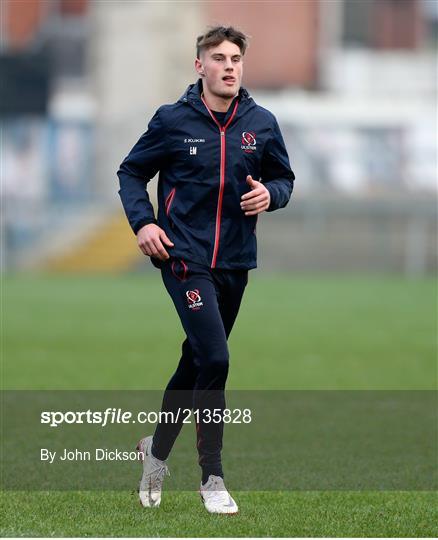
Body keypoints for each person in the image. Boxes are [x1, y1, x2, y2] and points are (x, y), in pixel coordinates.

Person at [117, 25, 295, 514]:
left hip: (235, 261)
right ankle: (212, 478)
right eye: (218, 57)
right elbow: (131, 171)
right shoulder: (173, 121)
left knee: (196, 360)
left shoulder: (262, 122)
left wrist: (271, 194)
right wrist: (144, 223)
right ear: (200, 66)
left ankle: (154, 451)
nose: (229, 65)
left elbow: (284, 177)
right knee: (215, 358)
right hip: (182, 256)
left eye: (235, 57)